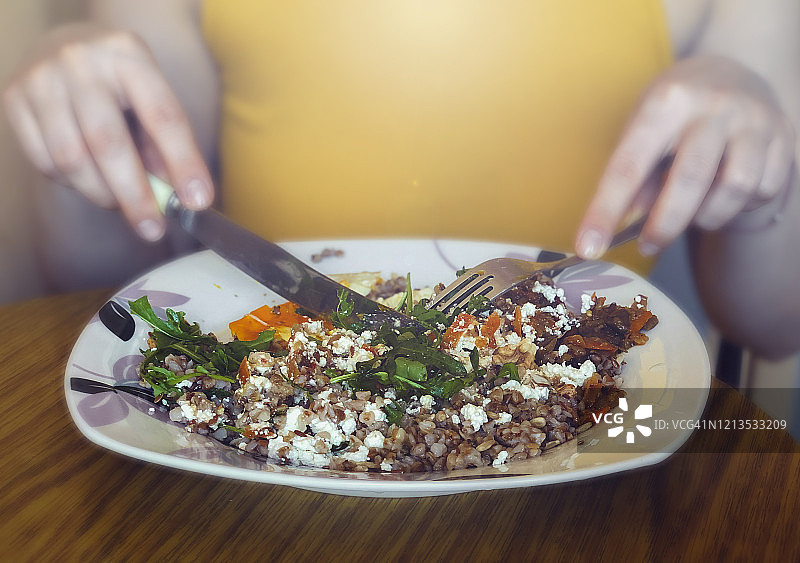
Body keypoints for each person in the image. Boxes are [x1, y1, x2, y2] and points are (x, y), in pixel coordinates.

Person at [3, 0, 799, 359]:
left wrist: (765, 178)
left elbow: (777, 324)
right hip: (264, 419)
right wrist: (81, 116)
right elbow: (92, 274)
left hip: (596, 445)